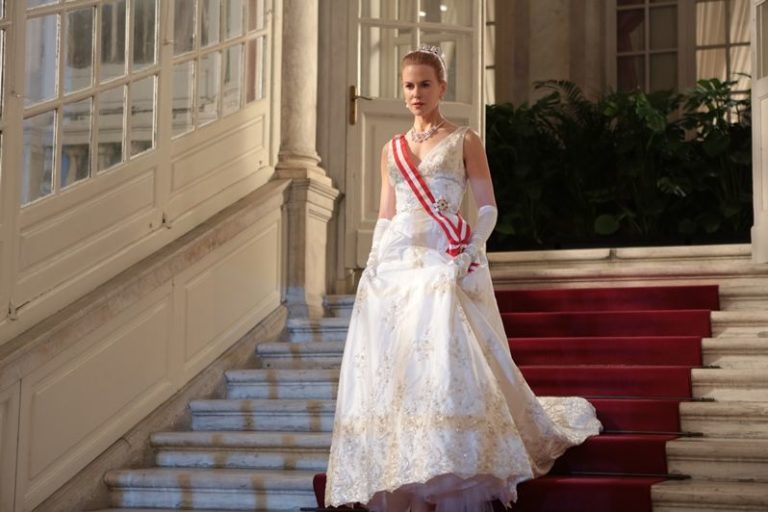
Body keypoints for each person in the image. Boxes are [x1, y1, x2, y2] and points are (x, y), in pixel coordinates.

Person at [324, 46, 602, 512]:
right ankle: (404, 461)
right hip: (397, 266)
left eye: (425, 84)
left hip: (444, 258)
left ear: (442, 88)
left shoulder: (464, 140)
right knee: (397, 371)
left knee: (440, 362)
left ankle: (450, 455)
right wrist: (372, 262)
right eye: (409, 85)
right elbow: (387, 216)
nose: (416, 93)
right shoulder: (391, 149)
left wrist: (469, 252)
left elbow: (488, 208)